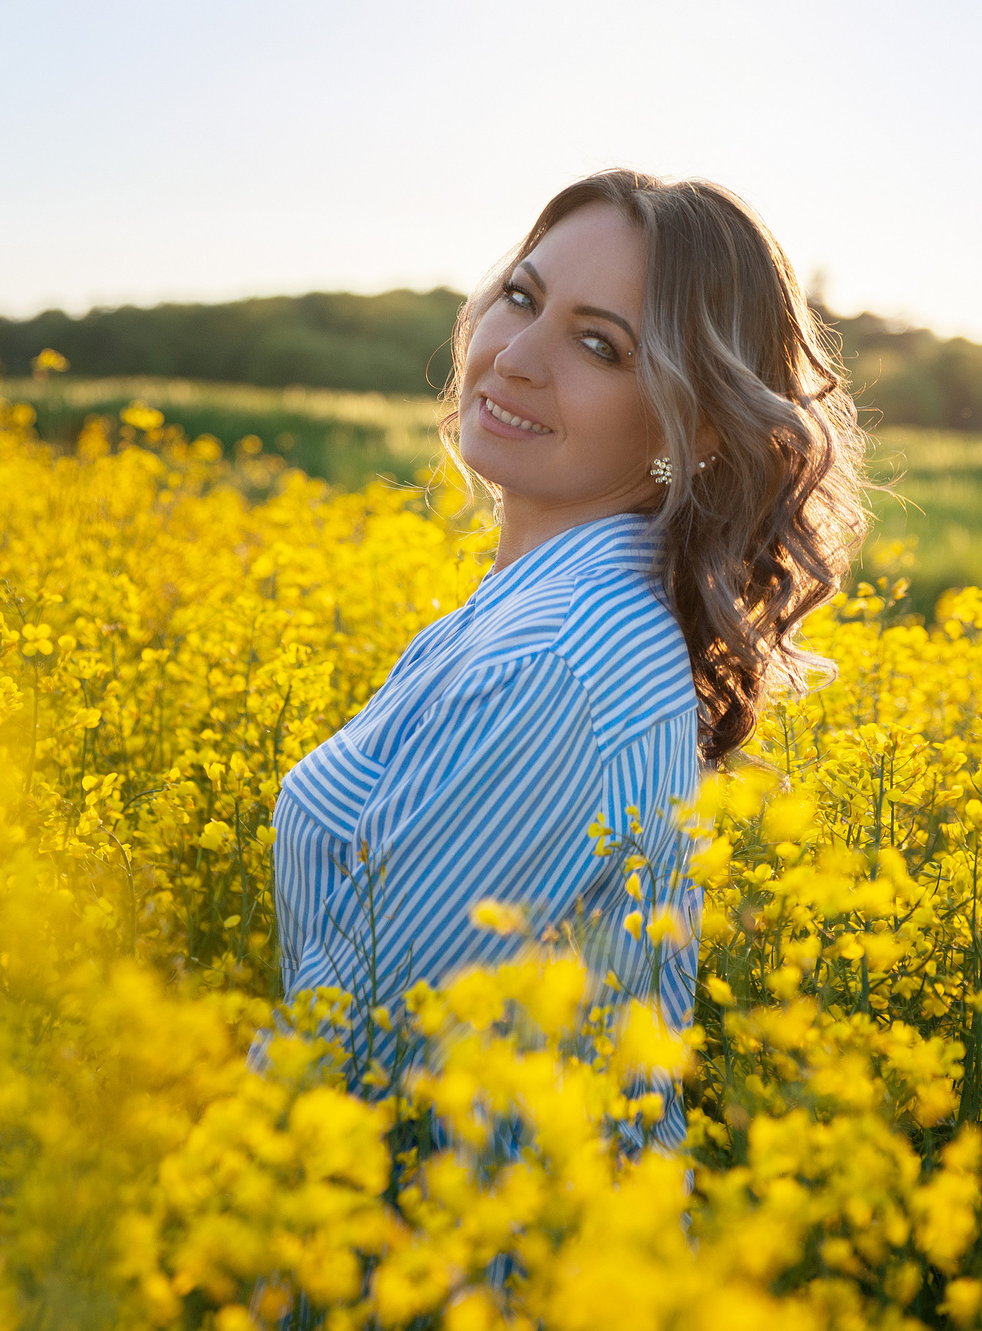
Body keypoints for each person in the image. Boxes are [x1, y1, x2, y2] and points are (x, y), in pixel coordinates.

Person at [269, 169, 870, 1139]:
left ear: (698, 427)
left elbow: (359, 1051)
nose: (516, 356)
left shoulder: (559, 656)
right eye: (523, 296)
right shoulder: (536, 613)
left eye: (599, 344)